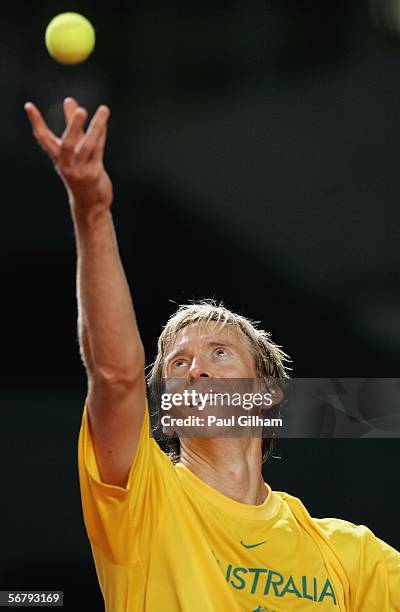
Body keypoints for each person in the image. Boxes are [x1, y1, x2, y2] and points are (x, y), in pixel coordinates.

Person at [25, 98, 400, 611]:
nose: (195, 368)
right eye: (177, 365)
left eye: (218, 352)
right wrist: (91, 212)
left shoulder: (351, 556)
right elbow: (114, 376)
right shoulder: (143, 501)